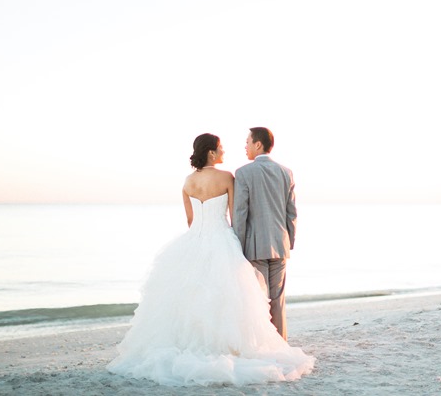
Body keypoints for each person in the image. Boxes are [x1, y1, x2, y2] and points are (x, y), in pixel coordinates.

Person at [107, 133, 314, 387]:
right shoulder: (227, 177)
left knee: (192, 298)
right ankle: (255, 344)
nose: (225, 151)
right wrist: (239, 241)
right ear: (212, 153)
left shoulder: (188, 182)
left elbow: (191, 221)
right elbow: (238, 213)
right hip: (226, 239)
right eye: (221, 148)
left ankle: (197, 343)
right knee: (239, 299)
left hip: (195, 241)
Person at [233, 127, 296, 340]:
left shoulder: (243, 173)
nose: (245, 146)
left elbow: (240, 213)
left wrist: (236, 246)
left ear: (258, 144)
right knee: (278, 300)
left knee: (260, 299)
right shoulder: (286, 172)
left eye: (248, 142)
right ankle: (281, 344)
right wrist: (290, 241)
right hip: (280, 244)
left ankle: (264, 344)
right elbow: (292, 212)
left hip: (255, 246)